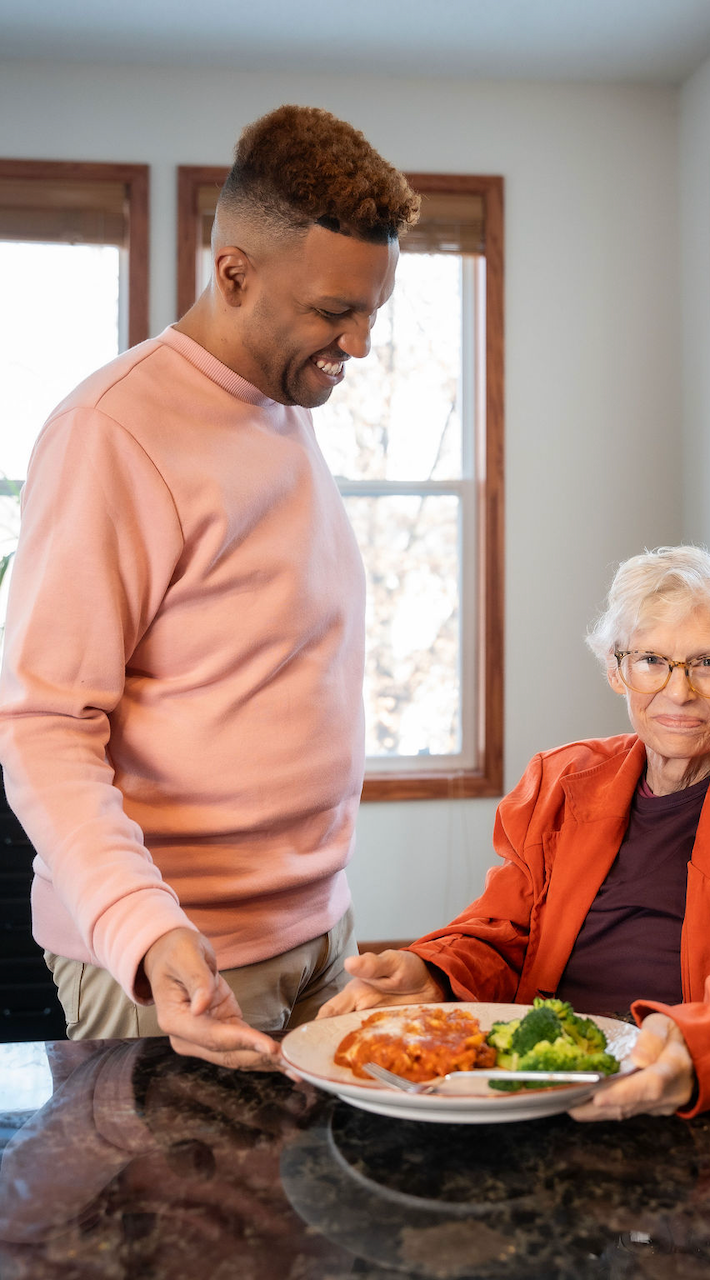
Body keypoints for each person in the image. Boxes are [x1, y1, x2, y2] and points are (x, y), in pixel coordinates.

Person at [0, 105, 420, 1070]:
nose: (357, 343)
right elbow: (42, 724)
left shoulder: (280, 407)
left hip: (320, 932)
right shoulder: (111, 433)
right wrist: (146, 933)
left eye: (370, 312)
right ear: (233, 273)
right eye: (331, 312)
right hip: (173, 966)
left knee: (305, 1221)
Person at [320, 546, 710, 1120]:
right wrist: (436, 974)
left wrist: (702, 1047)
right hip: (539, 1086)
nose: (679, 691)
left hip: (680, 1097)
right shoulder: (561, 780)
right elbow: (505, 932)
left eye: (707, 663)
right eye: (652, 659)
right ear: (616, 670)